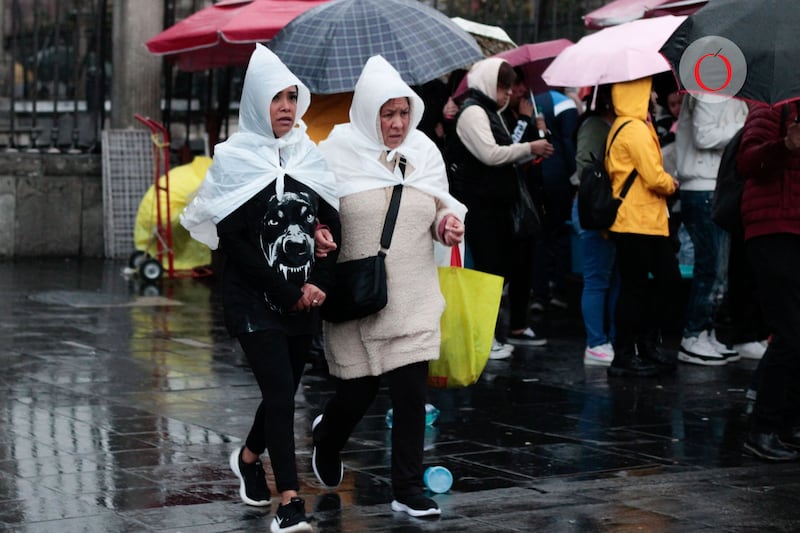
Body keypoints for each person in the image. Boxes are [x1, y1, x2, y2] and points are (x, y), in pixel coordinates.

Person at [180, 44, 340, 533]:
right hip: (254, 300)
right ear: (255, 103)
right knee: (280, 393)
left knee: (283, 389)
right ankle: (289, 501)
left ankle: (249, 457)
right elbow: (234, 243)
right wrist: (287, 290)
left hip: (300, 297)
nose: (287, 108)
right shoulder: (235, 158)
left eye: (292, 97)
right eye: (276, 98)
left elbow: (330, 220)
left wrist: (316, 277)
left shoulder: (306, 153)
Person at [311, 55, 466, 517]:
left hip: (413, 296)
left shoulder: (423, 152)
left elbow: (441, 206)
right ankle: (328, 436)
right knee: (356, 394)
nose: (398, 123)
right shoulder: (335, 153)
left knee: (411, 396)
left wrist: (447, 225)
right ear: (366, 112)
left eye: (403, 112)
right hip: (359, 296)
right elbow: (313, 213)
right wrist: (319, 233)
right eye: (387, 113)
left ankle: (407, 489)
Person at [445, 58, 553, 348]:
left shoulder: (489, 111)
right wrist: (529, 147)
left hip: (494, 204)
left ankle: (489, 334)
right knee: (488, 271)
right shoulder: (474, 112)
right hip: (480, 206)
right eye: (503, 87)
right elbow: (491, 154)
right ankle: (483, 337)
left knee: (497, 270)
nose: (508, 93)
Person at [605, 76, 681, 377]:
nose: (654, 97)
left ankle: (643, 347)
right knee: (642, 287)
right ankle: (627, 353)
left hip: (642, 221)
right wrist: (670, 183)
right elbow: (653, 176)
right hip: (638, 221)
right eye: (648, 91)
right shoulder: (635, 128)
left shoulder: (628, 125)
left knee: (651, 284)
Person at [738, 101, 800, 461]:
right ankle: (763, 428)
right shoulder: (772, 107)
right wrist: (785, 145)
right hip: (773, 230)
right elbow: (748, 162)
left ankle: (789, 423)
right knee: (790, 333)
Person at [674, 97, 748, 366]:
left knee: (719, 268)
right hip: (702, 187)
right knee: (711, 266)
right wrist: (743, 129)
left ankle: (705, 331)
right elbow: (704, 136)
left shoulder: (721, 91)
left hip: (714, 186)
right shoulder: (707, 91)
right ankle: (693, 335)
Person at [571, 84, 620, 366]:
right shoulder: (594, 125)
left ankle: (608, 338)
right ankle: (596, 343)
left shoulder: (619, 124)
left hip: (610, 209)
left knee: (612, 278)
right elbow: (586, 169)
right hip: (595, 209)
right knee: (597, 278)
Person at [531, 87, 579, 311]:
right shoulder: (565, 104)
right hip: (559, 176)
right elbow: (569, 142)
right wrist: (575, 175)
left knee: (541, 236)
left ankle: (539, 291)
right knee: (560, 233)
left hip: (537, 173)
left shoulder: (532, 100)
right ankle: (559, 287)